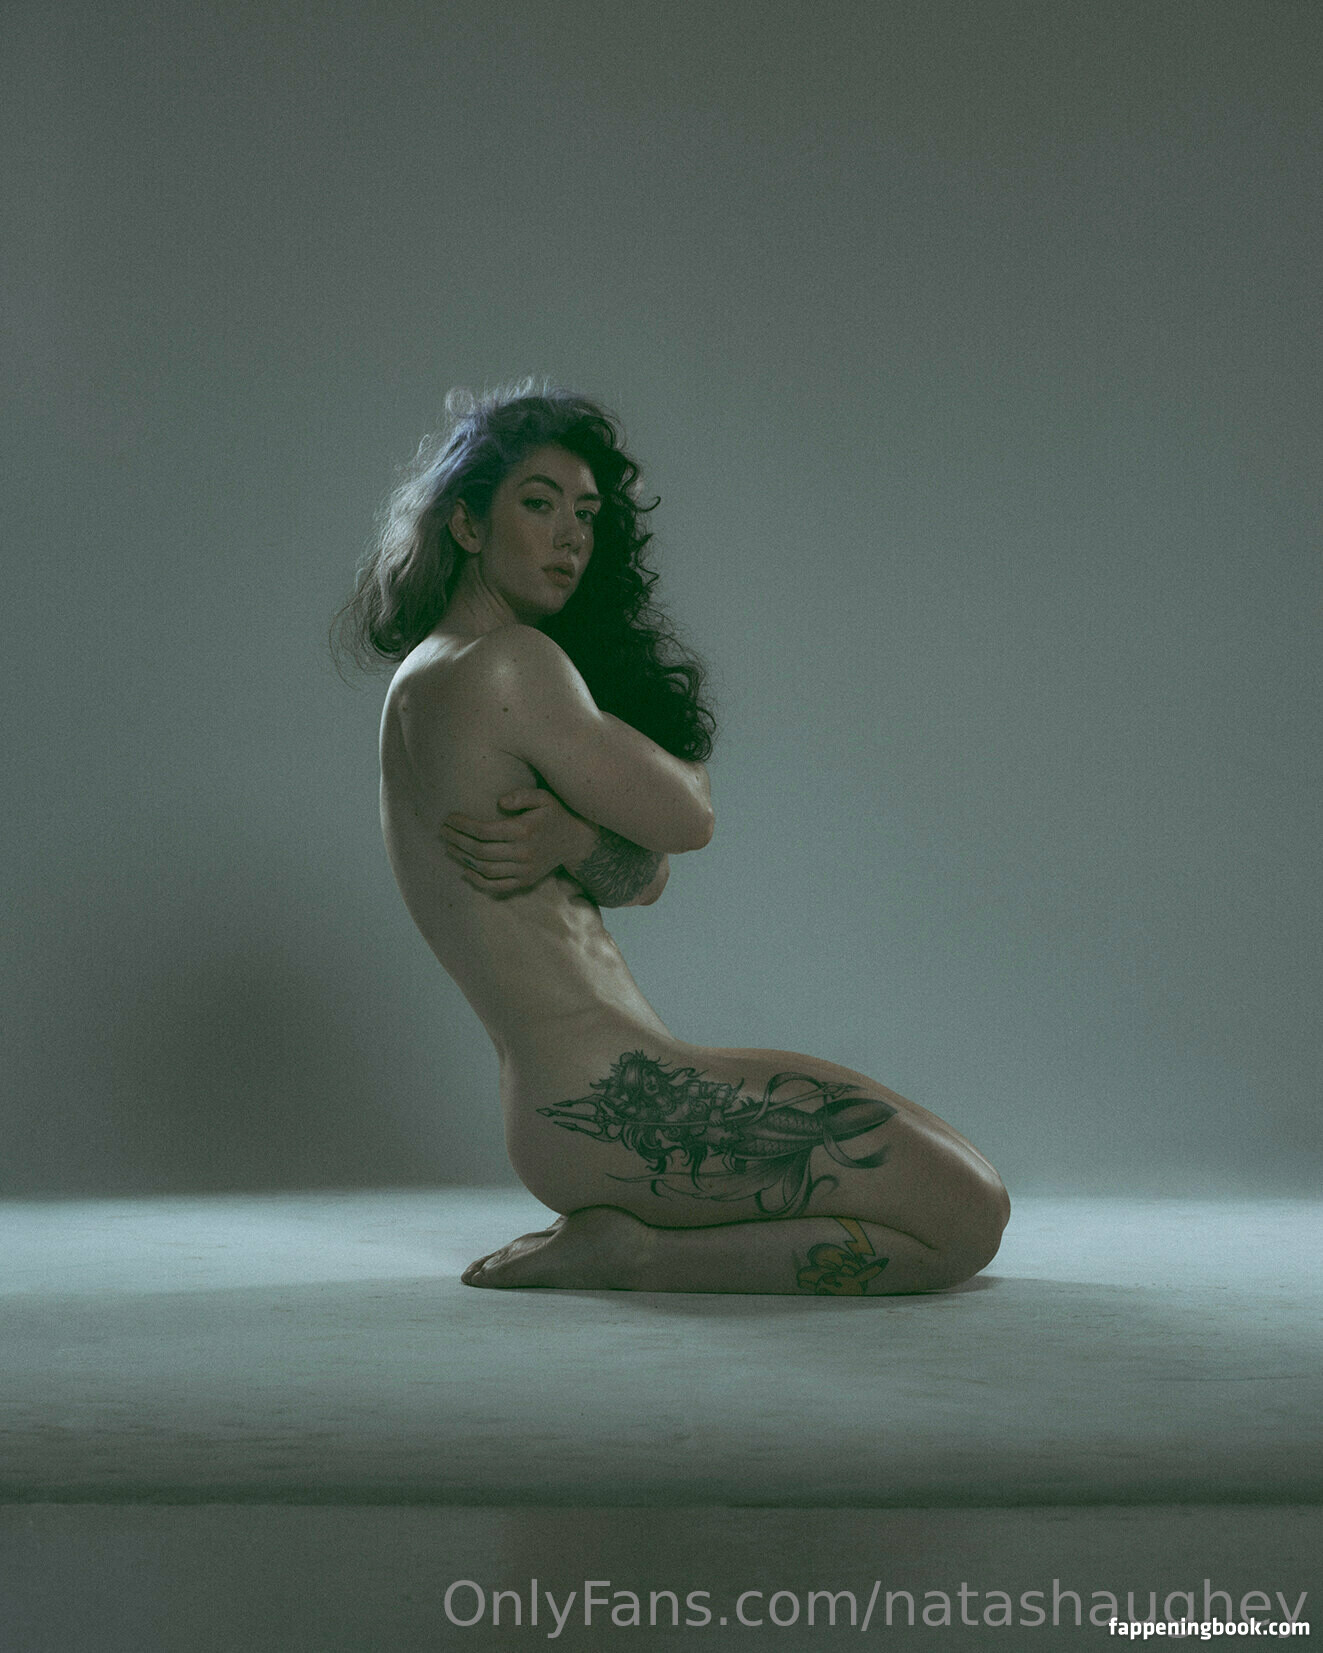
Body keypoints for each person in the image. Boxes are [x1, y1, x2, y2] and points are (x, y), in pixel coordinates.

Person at [332, 381, 1010, 1295]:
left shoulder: (427, 679)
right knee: (968, 1216)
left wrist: (573, 839)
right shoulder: (512, 664)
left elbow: (640, 875)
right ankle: (638, 1253)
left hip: (592, 1094)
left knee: (962, 1169)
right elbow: (689, 819)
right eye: (538, 504)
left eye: (585, 514)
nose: (571, 536)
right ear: (465, 523)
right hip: (610, 1103)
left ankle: (623, 1240)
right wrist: (606, 816)